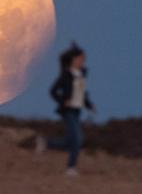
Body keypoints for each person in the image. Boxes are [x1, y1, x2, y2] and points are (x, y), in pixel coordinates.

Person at [35, 42, 96, 176]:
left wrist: (89, 105)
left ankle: (46, 143)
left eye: (84, 58)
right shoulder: (65, 75)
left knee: (71, 142)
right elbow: (53, 91)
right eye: (81, 58)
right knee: (77, 139)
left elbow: (82, 93)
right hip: (68, 111)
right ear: (74, 59)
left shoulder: (82, 74)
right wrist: (63, 101)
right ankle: (71, 168)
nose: (83, 60)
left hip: (77, 110)